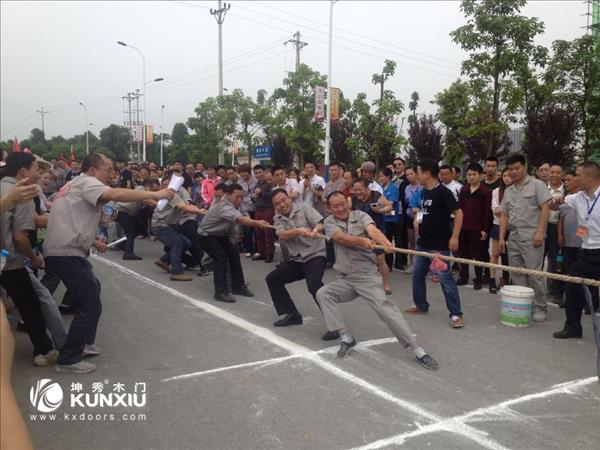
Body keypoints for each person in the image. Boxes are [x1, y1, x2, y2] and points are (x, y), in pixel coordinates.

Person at [43, 153, 175, 374]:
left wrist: (95, 242)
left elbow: (70, 220)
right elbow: (113, 193)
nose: (111, 174)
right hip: (67, 253)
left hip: (62, 250)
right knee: (89, 303)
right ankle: (69, 358)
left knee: (92, 290)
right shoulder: (88, 182)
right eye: (108, 169)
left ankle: (82, 343)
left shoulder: (72, 185)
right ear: (93, 169)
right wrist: (154, 193)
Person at [315, 191, 438, 369]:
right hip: (346, 278)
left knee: (385, 309)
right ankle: (345, 337)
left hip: (367, 277)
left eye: (343, 203)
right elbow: (341, 238)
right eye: (336, 206)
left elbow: (373, 230)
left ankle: (417, 349)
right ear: (329, 208)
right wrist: (360, 241)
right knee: (323, 294)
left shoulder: (361, 216)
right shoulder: (329, 222)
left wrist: (386, 242)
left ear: (347, 202)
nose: (341, 208)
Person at [1, 153, 56, 366]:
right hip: (10, 262)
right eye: (36, 168)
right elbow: (19, 236)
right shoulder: (22, 193)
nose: (39, 173)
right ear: (23, 171)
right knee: (30, 305)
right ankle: (43, 350)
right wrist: (33, 258)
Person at [266, 189, 338, 340]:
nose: (282, 205)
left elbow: (321, 222)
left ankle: (335, 326)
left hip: (315, 255)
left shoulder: (304, 208)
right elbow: (281, 234)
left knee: (314, 286)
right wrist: (298, 230)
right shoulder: (277, 217)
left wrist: (315, 230)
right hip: (297, 259)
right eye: (277, 204)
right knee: (273, 278)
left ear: (289, 198)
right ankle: (292, 314)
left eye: (283, 200)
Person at [406, 160, 465, 328]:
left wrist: (455, 237)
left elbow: (459, 213)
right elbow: (422, 211)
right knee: (417, 276)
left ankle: (456, 314)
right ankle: (420, 305)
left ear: (426, 173)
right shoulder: (424, 192)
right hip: (422, 244)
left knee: (445, 279)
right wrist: (418, 221)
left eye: (418, 172)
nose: (416, 176)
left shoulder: (443, 192)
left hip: (439, 246)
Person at [499, 153, 552, 323]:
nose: (514, 172)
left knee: (534, 274)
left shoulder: (537, 185)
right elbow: (504, 216)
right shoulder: (508, 191)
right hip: (513, 237)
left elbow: (545, 209)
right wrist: (501, 238)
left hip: (532, 237)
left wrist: (540, 232)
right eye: (511, 169)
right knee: (517, 273)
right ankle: (524, 304)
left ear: (525, 167)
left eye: (517, 168)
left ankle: (540, 307)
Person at [198, 183, 270, 303]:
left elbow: (244, 215)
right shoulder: (223, 206)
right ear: (228, 195)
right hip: (206, 235)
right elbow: (240, 219)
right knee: (220, 258)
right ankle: (220, 292)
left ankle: (238, 286)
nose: (240, 200)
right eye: (237, 197)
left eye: (242, 197)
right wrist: (257, 223)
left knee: (234, 254)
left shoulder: (235, 204)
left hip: (220, 235)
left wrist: (256, 222)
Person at [553, 162, 600, 339]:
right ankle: (573, 327)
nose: (573, 178)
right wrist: (555, 202)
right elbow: (553, 207)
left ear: (589, 177)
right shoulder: (577, 197)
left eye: (578, 175)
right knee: (573, 287)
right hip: (585, 252)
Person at [152, 173, 207, 281]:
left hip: (168, 225)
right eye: (164, 185)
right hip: (161, 225)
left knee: (186, 243)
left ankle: (164, 260)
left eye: (168, 184)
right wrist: (199, 211)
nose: (166, 187)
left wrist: (198, 210)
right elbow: (183, 207)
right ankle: (177, 272)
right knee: (177, 244)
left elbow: (187, 205)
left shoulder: (176, 193)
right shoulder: (170, 195)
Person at [350, 177, 393, 294]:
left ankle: (386, 284)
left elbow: (389, 206)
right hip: (360, 232)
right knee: (360, 259)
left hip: (377, 231)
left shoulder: (376, 195)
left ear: (367, 188)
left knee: (380, 260)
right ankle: (362, 283)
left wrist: (380, 210)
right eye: (355, 190)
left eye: (360, 189)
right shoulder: (352, 199)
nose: (358, 192)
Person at [457, 163, 492, 290]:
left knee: (479, 254)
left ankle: (478, 278)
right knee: (463, 253)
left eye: (474, 174)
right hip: (463, 226)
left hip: (478, 228)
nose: (471, 177)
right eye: (469, 174)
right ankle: (463, 276)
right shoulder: (464, 190)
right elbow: (459, 209)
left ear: (481, 175)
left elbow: (488, 212)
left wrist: (485, 229)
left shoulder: (486, 192)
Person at [490, 169, 513, 293]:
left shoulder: (517, 191)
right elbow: (496, 210)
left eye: (509, 175)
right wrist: (508, 211)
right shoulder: (496, 191)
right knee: (495, 253)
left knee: (508, 256)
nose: (507, 178)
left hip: (513, 227)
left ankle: (506, 279)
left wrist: (504, 211)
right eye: (504, 175)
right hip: (497, 225)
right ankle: (492, 279)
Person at [546, 164, 565, 301]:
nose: (554, 175)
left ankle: (555, 289)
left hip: (557, 228)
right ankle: (535, 287)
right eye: (552, 172)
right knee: (537, 258)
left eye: (558, 172)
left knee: (555, 261)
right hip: (541, 226)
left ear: (562, 174)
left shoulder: (567, 190)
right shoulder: (541, 188)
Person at [379, 167, 403, 272]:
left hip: (392, 219)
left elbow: (391, 203)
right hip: (382, 218)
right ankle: (386, 264)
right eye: (379, 176)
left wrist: (379, 210)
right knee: (384, 241)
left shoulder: (394, 188)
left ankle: (395, 263)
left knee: (393, 241)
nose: (380, 178)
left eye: (382, 176)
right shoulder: (379, 188)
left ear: (388, 177)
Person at [252, 165, 275, 262]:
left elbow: (272, 196)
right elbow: (254, 197)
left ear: (264, 172)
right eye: (256, 173)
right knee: (259, 232)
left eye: (260, 172)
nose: (258, 175)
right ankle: (262, 253)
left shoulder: (269, 183)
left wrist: (261, 193)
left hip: (267, 209)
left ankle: (269, 254)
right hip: (258, 209)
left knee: (268, 232)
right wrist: (253, 196)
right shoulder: (257, 183)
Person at [403, 167, 421, 271]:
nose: (409, 176)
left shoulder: (422, 187)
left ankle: (422, 265)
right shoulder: (407, 188)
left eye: (411, 173)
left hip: (421, 215)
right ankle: (412, 264)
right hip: (410, 214)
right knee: (411, 240)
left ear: (416, 174)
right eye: (407, 175)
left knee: (420, 239)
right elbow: (406, 201)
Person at [238, 164, 257, 258]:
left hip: (256, 208)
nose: (243, 174)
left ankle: (257, 250)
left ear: (249, 171)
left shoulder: (256, 180)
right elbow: (239, 199)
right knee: (247, 230)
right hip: (245, 209)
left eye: (244, 172)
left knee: (257, 229)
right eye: (241, 172)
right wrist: (244, 212)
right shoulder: (239, 183)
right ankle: (248, 250)